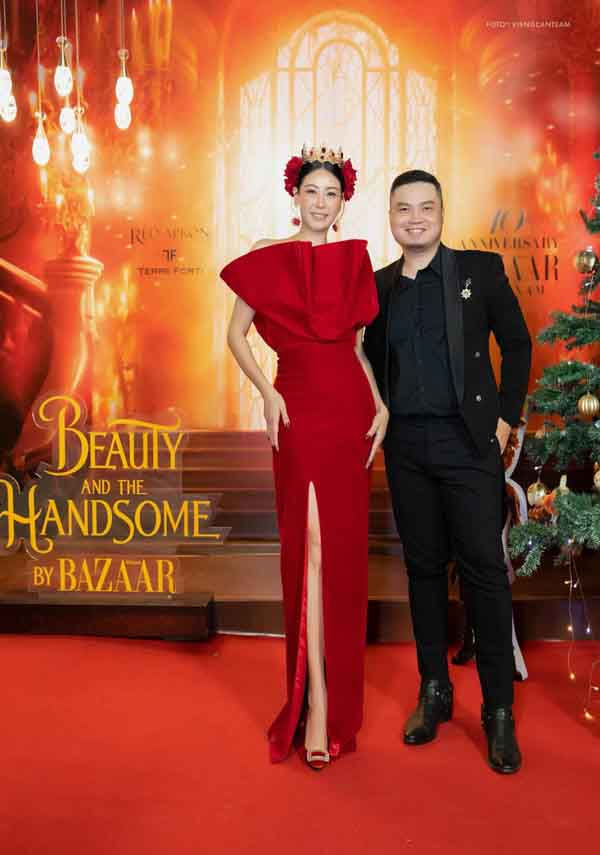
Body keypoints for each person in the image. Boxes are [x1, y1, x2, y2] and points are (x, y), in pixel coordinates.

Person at [220, 145, 389, 769]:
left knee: (338, 552)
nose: (321, 202)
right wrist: (266, 393)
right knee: (309, 547)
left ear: (343, 203)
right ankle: (313, 699)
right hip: (295, 408)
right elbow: (235, 335)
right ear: (295, 195)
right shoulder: (267, 255)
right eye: (312, 191)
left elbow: (358, 349)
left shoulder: (355, 260)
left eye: (332, 194)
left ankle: (329, 702)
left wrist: (381, 404)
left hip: (349, 413)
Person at [363, 170, 531, 774]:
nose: (415, 218)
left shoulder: (478, 272)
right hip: (407, 447)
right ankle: (434, 689)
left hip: (468, 445)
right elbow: (362, 360)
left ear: (441, 212)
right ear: (390, 217)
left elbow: (518, 345)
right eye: (403, 208)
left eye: (425, 207)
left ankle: (499, 711)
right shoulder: (377, 288)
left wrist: (506, 420)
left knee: (484, 571)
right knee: (423, 568)